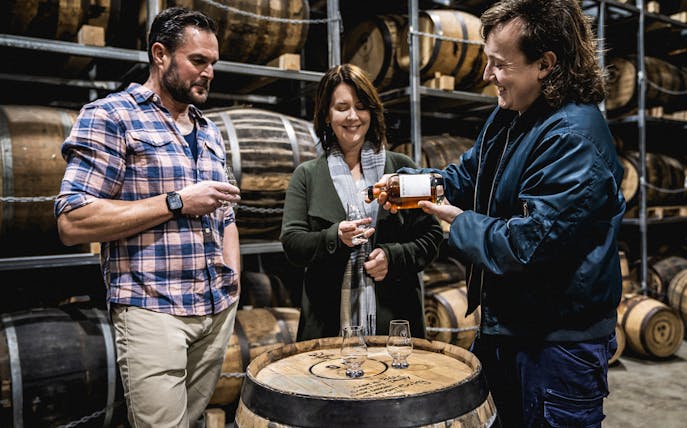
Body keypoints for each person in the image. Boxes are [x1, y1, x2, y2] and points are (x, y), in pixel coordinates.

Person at [374, 0, 625, 426]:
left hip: (557, 347)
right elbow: (467, 174)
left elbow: (528, 243)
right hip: (508, 328)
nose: (488, 75)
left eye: (499, 64)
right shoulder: (511, 116)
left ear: (545, 64)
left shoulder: (574, 137)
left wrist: (457, 222)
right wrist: (413, 187)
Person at [54, 7, 241, 427]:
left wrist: (235, 277)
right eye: (198, 61)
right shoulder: (111, 116)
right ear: (160, 54)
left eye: (213, 63)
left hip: (216, 308)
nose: (209, 73)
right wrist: (175, 201)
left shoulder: (208, 130)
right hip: (152, 312)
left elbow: (225, 215)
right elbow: (72, 221)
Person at [280, 63, 443, 341]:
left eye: (361, 106)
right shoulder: (307, 175)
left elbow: (432, 236)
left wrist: (392, 257)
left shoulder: (400, 167)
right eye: (342, 107)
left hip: (395, 324)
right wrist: (335, 237)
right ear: (327, 115)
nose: (353, 116)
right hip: (327, 326)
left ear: (372, 112)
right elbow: (292, 243)